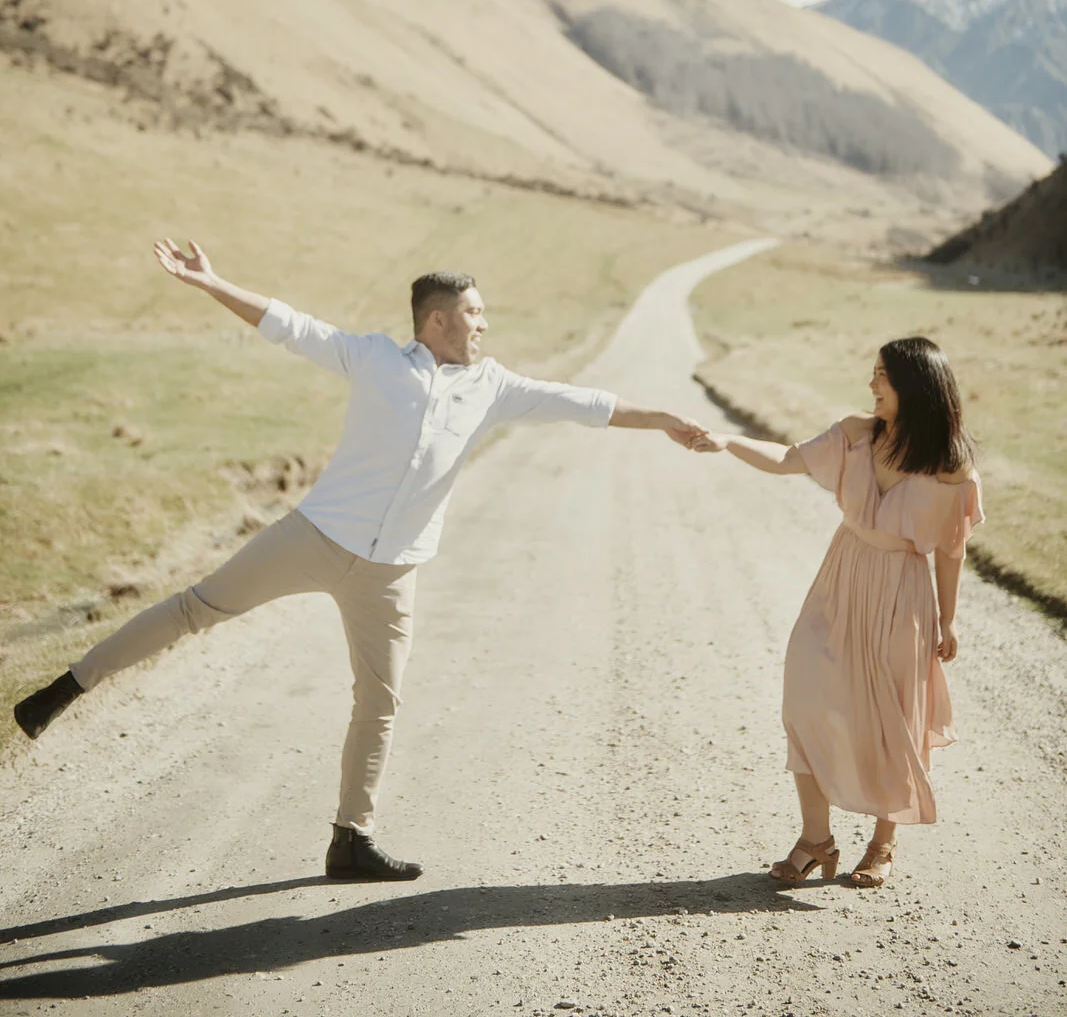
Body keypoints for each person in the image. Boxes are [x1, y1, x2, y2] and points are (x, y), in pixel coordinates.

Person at [15, 240, 708, 883]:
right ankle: (67, 688)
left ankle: (351, 840)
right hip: (313, 537)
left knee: (379, 701)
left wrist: (665, 420)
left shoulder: (491, 385)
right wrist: (210, 281)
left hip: (392, 572)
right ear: (435, 321)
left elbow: (584, 404)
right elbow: (287, 324)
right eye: (474, 313)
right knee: (195, 609)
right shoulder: (373, 357)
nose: (483, 325)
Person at [694, 337, 983, 888]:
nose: (871, 385)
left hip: (903, 591)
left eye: (881, 376)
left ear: (913, 386)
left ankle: (882, 843)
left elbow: (951, 548)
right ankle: (816, 838)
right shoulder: (856, 433)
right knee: (806, 694)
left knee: (893, 716)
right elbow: (786, 459)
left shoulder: (951, 466)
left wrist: (948, 619)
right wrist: (727, 440)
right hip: (842, 574)